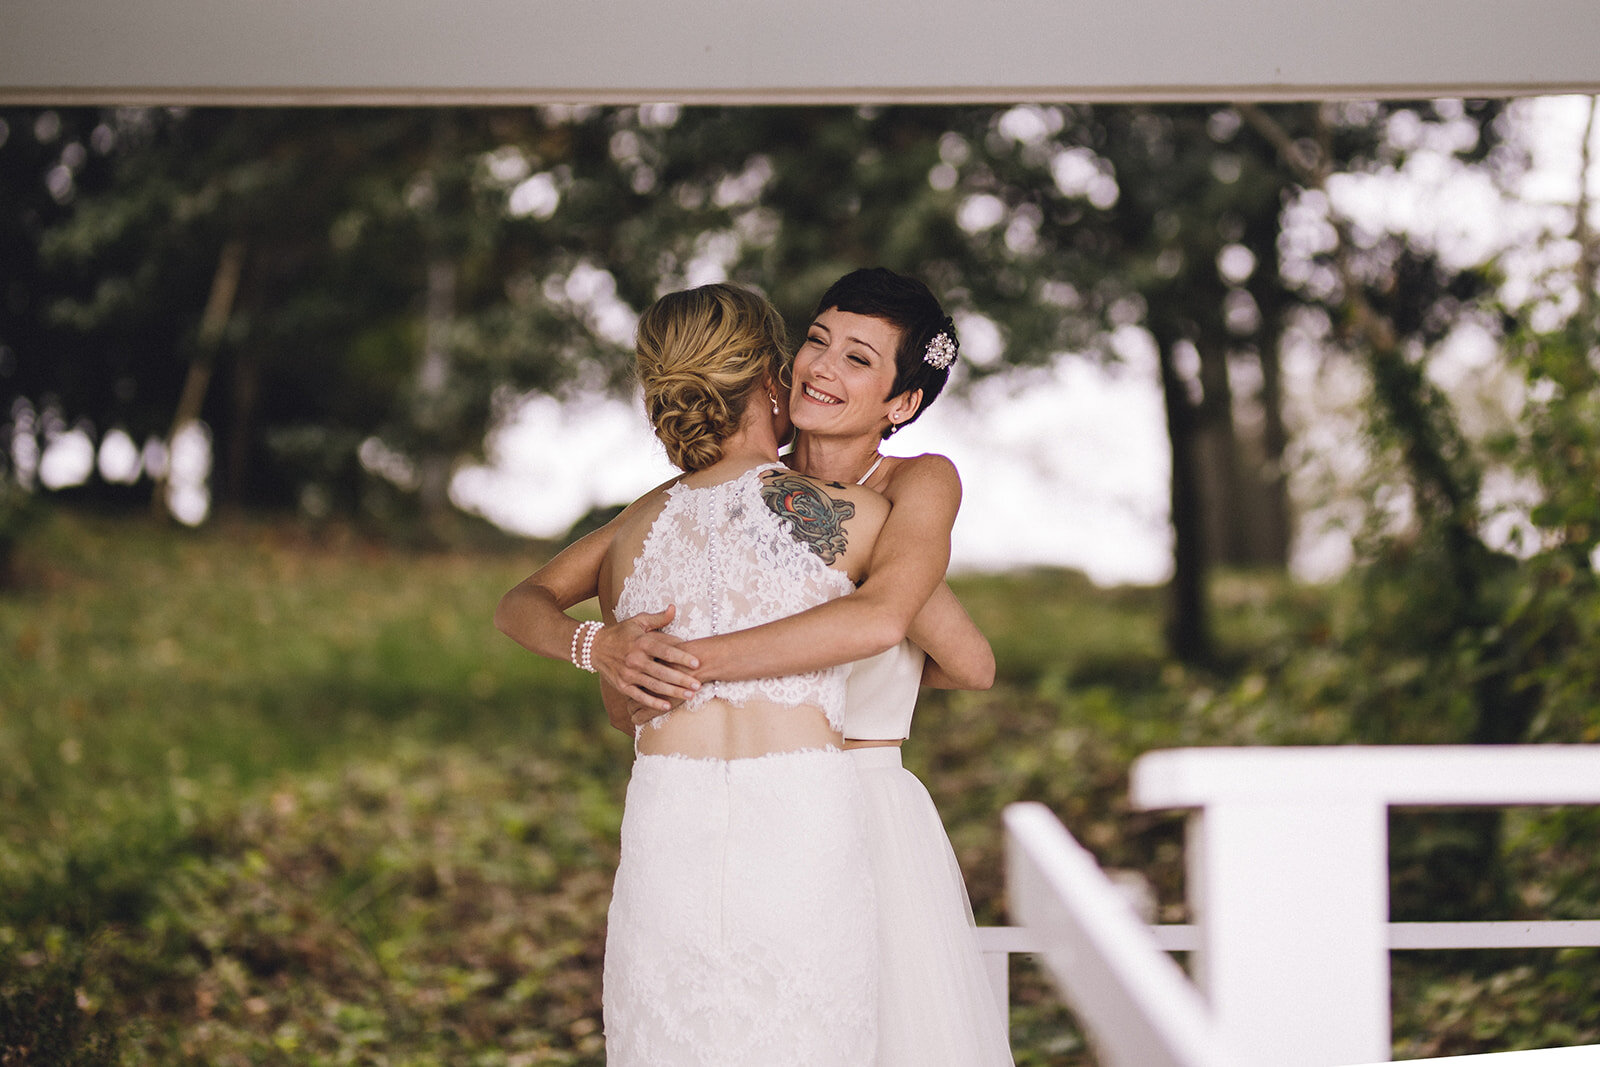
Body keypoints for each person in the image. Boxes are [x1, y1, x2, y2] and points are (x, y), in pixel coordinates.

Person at [497, 268, 1015, 1065]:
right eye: (816, 341)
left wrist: (698, 663)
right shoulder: (715, 508)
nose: (822, 368)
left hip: (863, 790)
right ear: (775, 369)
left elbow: (956, 656)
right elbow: (559, 634)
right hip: (747, 799)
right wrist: (605, 648)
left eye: (858, 359)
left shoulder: (905, 492)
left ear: (900, 402)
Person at [560, 282, 891, 1064]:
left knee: (672, 1032)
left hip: (668, 815)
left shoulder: (632, 531)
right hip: (801, 812)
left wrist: (594, 645)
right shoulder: (842, 516)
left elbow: (612, 699)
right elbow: (952, 648)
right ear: (772, 380)